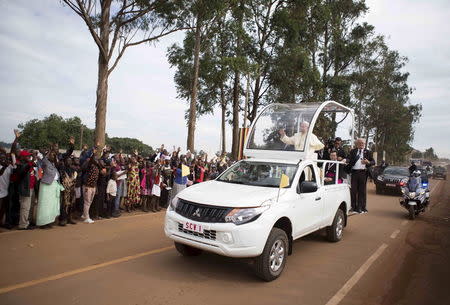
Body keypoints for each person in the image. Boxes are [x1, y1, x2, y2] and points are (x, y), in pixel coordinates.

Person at [346, 138, 375, 214]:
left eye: (363, 143)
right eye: (360, 143)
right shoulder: (353, 151)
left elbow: (373, 162)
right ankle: (353, 206)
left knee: (361, 191)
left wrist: (368, 162)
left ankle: (360, 207)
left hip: (363, 173)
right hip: (354, 173)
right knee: (353, 190)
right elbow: (348, 159)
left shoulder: (368, 152)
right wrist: (345, 160)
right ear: (357, 144)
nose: (362, 144)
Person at [16, 150, 37, 230]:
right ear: (23, 157)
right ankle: (22, 225)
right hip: (25, 189)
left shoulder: (28, 164)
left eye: (29, 156)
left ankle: (26, 223)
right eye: (27, 156)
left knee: (28, 207)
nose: (29, 157)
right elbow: (24, 170)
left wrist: (32, 158)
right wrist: (31, 160)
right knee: (24, 207)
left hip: (31, 188)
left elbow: (34, 165)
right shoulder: (21, 165)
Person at [82, 155, 100, 224]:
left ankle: (84, 215)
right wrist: (93, 153)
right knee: (87, 202)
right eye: (95, 159)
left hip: (93, 187)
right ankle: (87, 218)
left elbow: (96, 179)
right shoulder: (90, 166)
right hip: (88, 186)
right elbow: (91, 159)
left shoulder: (96, 167)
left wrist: (96, 187)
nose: (97, 160)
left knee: (89, 202)